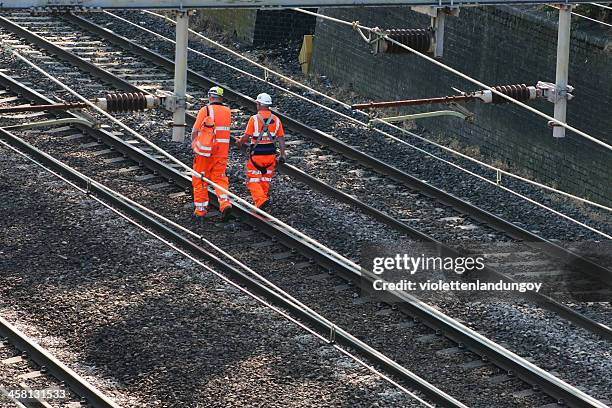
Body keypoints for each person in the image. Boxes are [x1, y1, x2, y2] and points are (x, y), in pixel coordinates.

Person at [237, 93, 286, 210]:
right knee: (265, 180)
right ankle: (262, 203)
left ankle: (261, 200)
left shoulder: (254, 119)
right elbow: (281, 138)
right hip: (270, 156)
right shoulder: (276, 120)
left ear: (259, 104)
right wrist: (283, 154)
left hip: (257, 156)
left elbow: (247, 136)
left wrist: (239, 142)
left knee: (253, 180)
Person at [191, 86, 232, 220]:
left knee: (200, 179)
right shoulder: (227, 111)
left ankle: (201, 210)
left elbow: (195, 131)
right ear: (221, 98)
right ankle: (225, 203)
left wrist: (195, 146)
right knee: (219, 178)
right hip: (222, 152)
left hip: (205, 152)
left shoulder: (206, 110)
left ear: (210, 96)